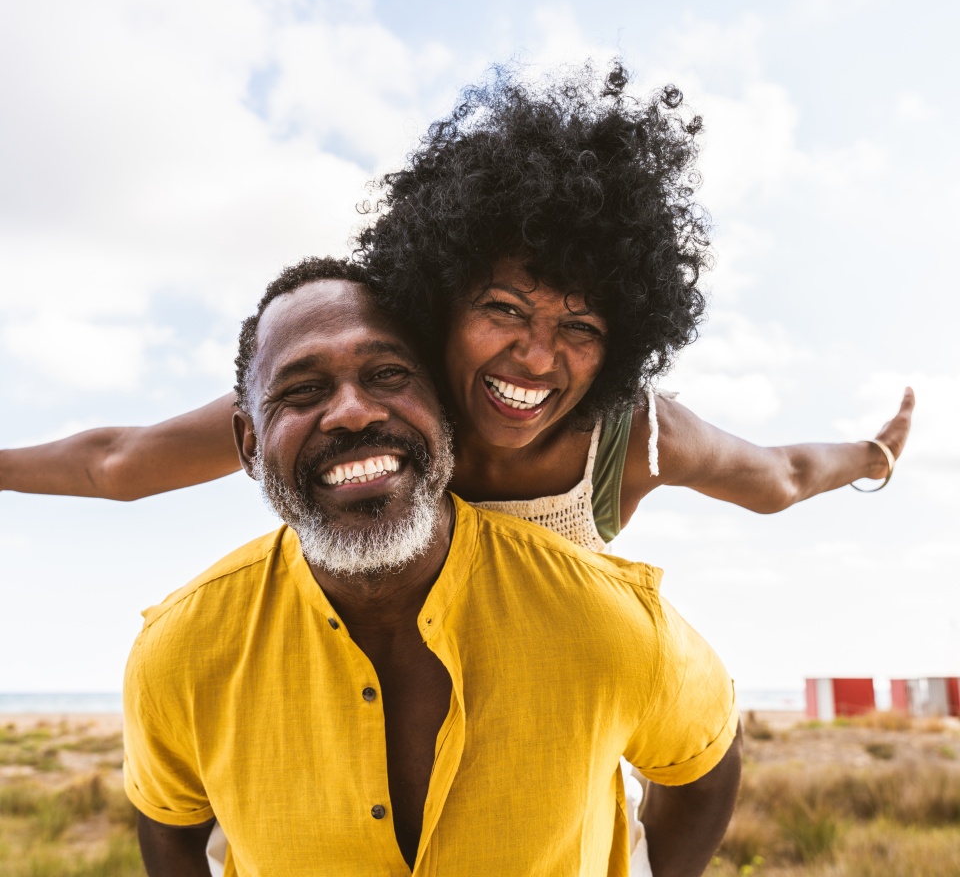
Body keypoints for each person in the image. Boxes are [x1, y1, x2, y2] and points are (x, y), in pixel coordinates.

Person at [0, 62, 913, 548]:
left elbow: (783, 477)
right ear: (441, 294)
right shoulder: (367, 406)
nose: (536, 357)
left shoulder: (630, 438)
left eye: (580, 328)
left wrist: (872, 454)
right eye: (507, 309)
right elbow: (116, 462)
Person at [124, 258, 742, 877]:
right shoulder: (179, 650)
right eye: (303, 390)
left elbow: (705, 764)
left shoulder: (611, 622)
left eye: (389, 374)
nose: (352, 412)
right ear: (249, 445)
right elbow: (170, 830)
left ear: (442, 408)